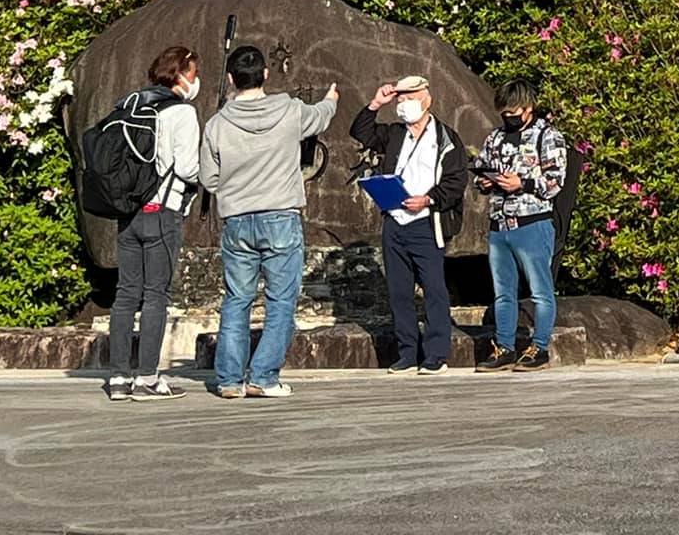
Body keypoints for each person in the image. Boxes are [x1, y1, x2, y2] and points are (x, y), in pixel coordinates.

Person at [198, 44, 337, 400]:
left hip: (237, 218)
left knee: (237, 299)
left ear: (231, 79)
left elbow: (210, 179)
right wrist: (331, 99)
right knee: (281, 301)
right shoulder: (289, 110)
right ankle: (263, 375)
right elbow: (320, 117)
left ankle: (229, 380)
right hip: (280, 213)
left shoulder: (216, 124)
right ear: (266, 74)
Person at [104, 44, 203, 401]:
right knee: (156, 295)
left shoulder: (129, 105)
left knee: (125, 294)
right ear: (179, 74)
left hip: (127, 212)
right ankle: (147, 377)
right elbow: (188, 167)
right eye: (192, 72)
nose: (196, 79)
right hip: (163, 212)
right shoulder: (182, 113)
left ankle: (117, 378)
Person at [351, 74, 466, 376]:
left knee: (433, 289)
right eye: (400, 99)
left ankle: (436, 354)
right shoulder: (394, 134)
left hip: (427, 222)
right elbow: (360, 132)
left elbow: (456, 182)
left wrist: (428, 200)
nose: (403, 104)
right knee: (399, 290)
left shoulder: (445, 138)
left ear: (426, 100)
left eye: (409, 98)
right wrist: (377, 103)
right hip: (395, 219)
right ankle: (407, 353)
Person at [473, 78, 566, 372]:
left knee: (540, 290)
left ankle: (539, 347)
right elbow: (479, 173)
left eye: (514, 111)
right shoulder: (495, 138)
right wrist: (486, 181)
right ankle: (504, 347)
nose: (508, 117)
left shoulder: (548, 136)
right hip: (500, 224)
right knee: (503, 291)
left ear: (529, 108)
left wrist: (522, 183)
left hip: (533, 222)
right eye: (504, 112)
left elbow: (555, 182)